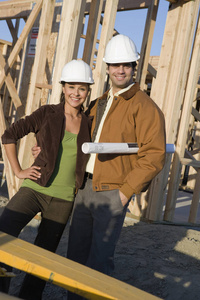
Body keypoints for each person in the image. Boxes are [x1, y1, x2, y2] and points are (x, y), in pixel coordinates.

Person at [66, 34, 166, 299]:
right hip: (85, 187)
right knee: (75, 255)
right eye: (115, 64)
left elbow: (154, 155)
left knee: (100, 260)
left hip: (112, 191)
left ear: (134, 67)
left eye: (126, 64)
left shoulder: (144, 107)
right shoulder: (98, 102)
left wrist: (125, 192)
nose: (120, 69)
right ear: (107, 68)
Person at [0, 59, 94, 299]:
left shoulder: (90, 125)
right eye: (71, 86)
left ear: (87, 91)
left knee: (44, 257)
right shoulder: (47, 113)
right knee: (4, 233)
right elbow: (9, 135)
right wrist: (19, 171)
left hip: (63, 199)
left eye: (82, 88)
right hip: (34, 189)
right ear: (63, 88)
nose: (76, 93)